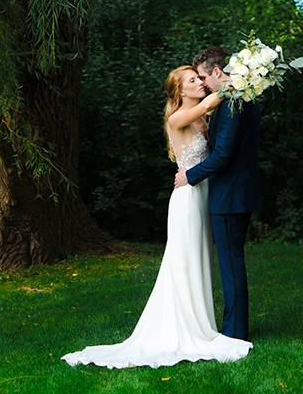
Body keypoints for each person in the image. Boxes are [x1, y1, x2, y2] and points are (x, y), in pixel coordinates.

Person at [62, 63, 252, 368]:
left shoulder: (202, 118)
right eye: (193, 80)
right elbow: (208, 103)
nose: (200, 83)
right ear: (180, 91)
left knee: (201, 261)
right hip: (188, 199)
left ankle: (202, 323)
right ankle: (186, 327)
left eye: (199, 78)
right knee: (185, 261)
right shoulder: (178, 117)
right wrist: (245, 77)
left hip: (205, 195)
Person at [174, 45, 261, 342]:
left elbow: (223, 154)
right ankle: (233, 327)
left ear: (216, 72)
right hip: (240, 191)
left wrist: (190, 176)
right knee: (232, 260)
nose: (202, 83)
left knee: (231, 263)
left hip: (229, 195)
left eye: (202, 77)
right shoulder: (245, 96)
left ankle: (235, 333)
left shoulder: (232, 104)